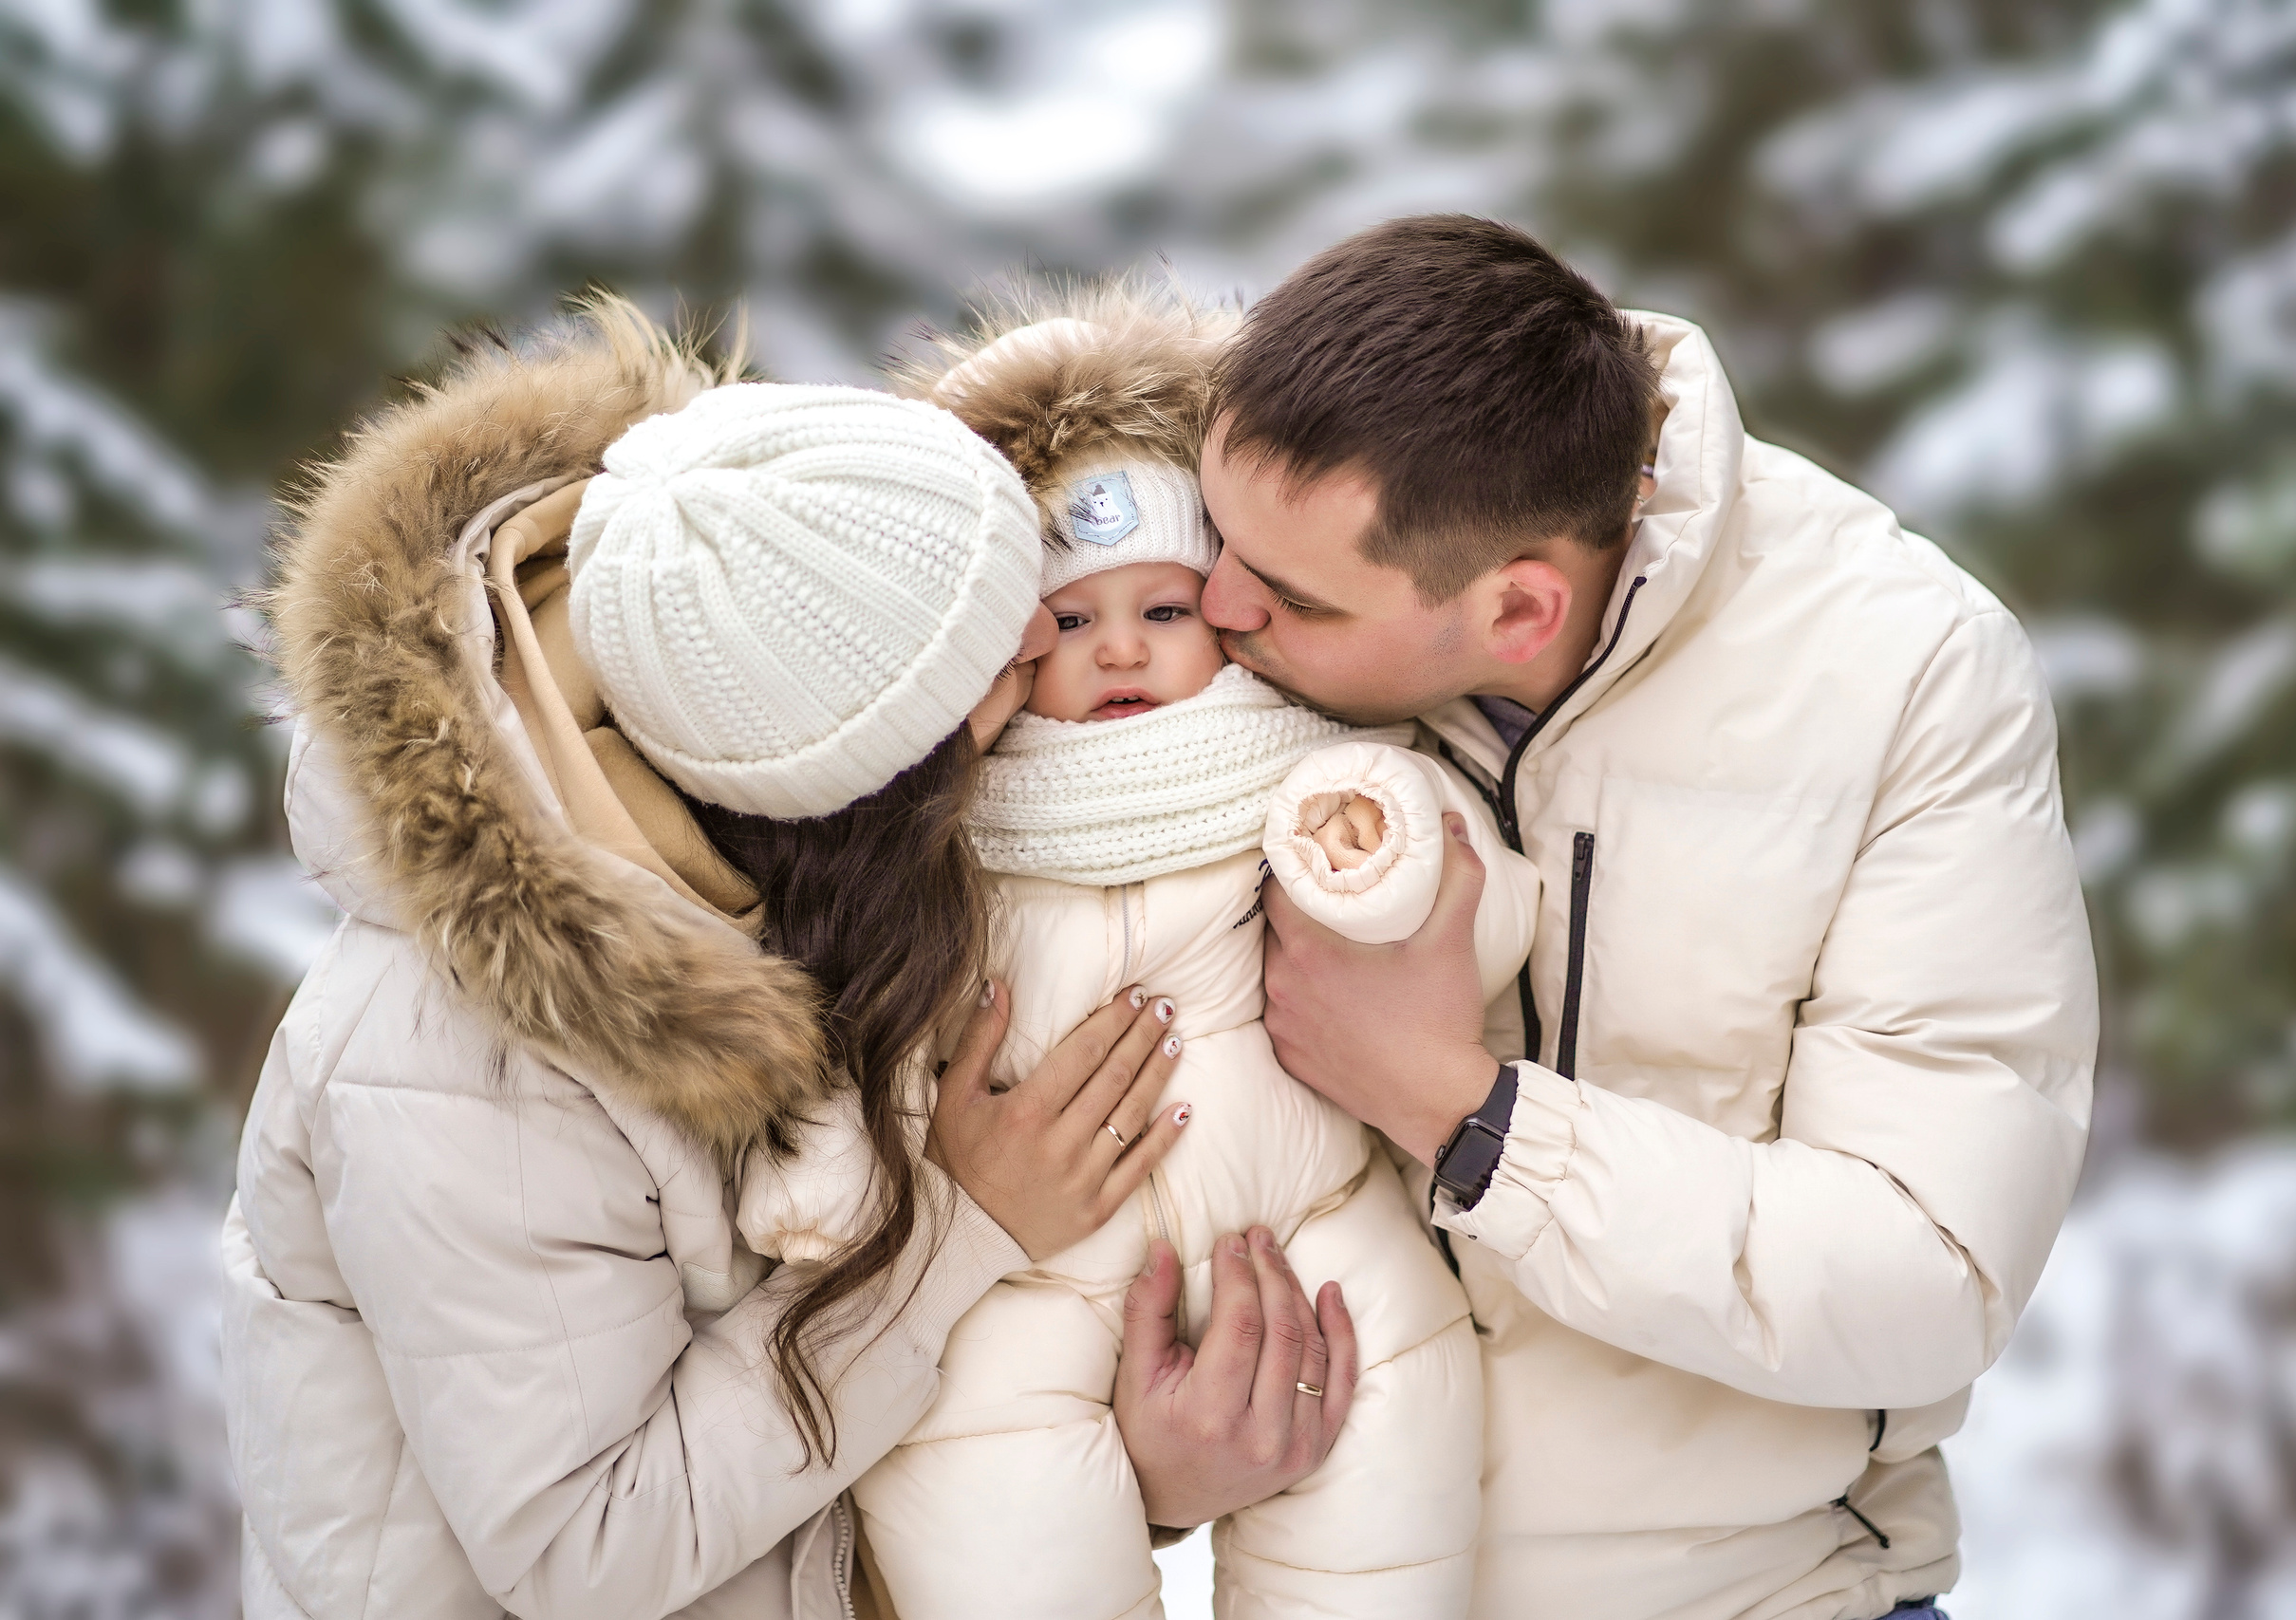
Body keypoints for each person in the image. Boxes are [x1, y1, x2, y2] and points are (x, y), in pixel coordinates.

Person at [221, 301, 1354, 1620]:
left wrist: (1138, 1475)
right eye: (992, 658)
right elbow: (592, 1554)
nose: (1048, 656)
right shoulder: (459, 1063)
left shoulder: (766, 806)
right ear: (852, 773)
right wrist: (960, 1234)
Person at [1203, 216, 2100, 1619]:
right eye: (1216, 539)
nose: (1212, 605)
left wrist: (1463, 1112)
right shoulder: (1199, 656)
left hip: (1769, 1593)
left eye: (1292, 600)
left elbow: (1931, 1273)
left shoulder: (1906, 673)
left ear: (1519, 609)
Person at [735, 290, 1540, 1620]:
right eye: (1069, 620)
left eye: (1163, 610)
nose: (1117, 648)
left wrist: (1383, 861)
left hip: (1313, 1220)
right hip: (1031, 1266)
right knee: (983, 1479)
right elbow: (863, 1009)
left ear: (1225, 614)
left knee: (1397, 1418)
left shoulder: (1307, 762)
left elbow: (1481, 915)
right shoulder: (952, 830)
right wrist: (826, 1169)